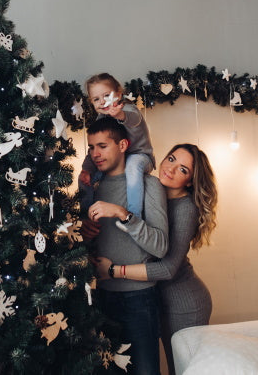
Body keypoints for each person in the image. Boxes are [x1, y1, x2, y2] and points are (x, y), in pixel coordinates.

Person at [94, 143, 218, 375]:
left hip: (184, 304)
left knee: (183, 370)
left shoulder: (185, 208)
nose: (170, 169)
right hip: (156, 299)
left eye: (183, 170)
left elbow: (168, 268)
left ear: (190, 181)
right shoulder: (148, 191)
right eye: (171, 159)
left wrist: (114, 271)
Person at [81, 117, 168, 375]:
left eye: (102, 146)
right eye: (91, 148)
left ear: (123, 145)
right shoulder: (91, 190)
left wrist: (123, 214)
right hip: (101, 298)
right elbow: (89, 243)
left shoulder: (150, 185)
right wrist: (85, 234)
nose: (95, 154)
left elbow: (161, 247)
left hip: (139, 300)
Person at [79, 73, 154, 221]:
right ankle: (86, 217)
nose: (102, 102)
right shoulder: (101, 118)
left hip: (141, 157)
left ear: (118, 95)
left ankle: (133, 216)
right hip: (118, 160)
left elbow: (134, 120)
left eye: (107, 96)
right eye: (96, 99)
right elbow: (95, 148)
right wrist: (86, 169)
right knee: (84, 177)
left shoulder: (129, 109)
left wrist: (119, 114)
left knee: (132, 166)